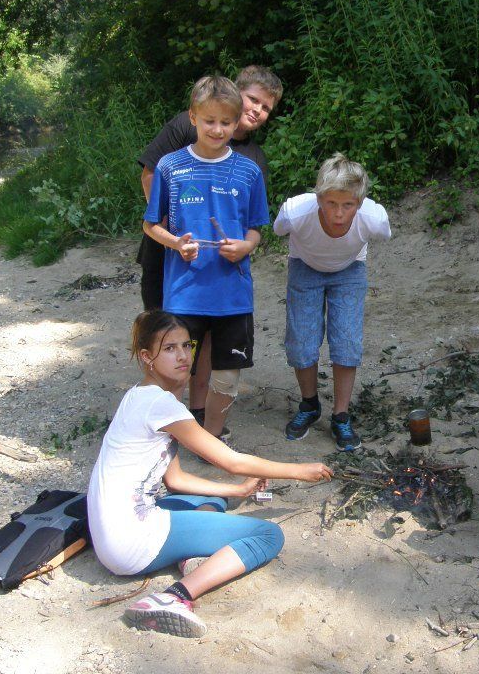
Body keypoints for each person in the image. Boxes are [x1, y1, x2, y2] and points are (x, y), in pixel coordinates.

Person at [88, 311, 333, 637]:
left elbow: (175, 481)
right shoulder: (161, 406)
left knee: (213, 498)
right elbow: (231, 462)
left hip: (110, 534)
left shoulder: (139, 395)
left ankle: (190, 558)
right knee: (268, 536)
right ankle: (175, 597)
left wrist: (237, 491)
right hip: (131, 542)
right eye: (169, 349)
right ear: (147, 357)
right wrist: (299, 471)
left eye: (186, 346)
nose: (182, 356)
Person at [137, 66, 283, 429]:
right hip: (183, 295)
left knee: (227, 377)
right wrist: (175, 243)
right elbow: (150, 224)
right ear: (193, 118)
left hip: (233, 296)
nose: (218, 129)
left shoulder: (250, 170)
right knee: (174, 369)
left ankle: (212, 438)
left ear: (235, 123)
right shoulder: (170, 167)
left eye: (226, 122)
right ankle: (168, 437)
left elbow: (256, 230)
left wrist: (245, 246)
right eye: (209, 121)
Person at [272, 153, 391, 451]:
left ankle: (341, 416)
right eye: (331, 203)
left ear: (360, 202)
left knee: (347, 341)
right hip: (304, 266)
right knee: (301, 342)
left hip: (350, 269)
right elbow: (277, 230)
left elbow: (384, 235)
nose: (339, 213)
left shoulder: (374, 218)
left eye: (347, 205)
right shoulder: (296, 212)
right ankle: (309, 404)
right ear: (318, 198)